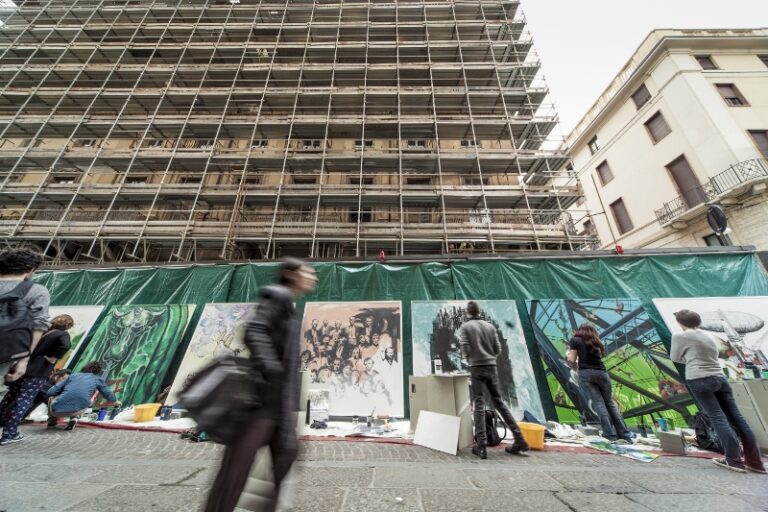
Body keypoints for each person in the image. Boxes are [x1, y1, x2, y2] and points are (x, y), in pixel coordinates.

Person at [204, 257, 317, 512]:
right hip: (262, 404)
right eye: (307, 272)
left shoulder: (290, 305)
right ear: (291, 274)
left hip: (279, 405)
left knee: (285, 456)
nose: (313, 276)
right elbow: (254, 331)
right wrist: (272, 369)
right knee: (236, 471)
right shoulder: (276, 297)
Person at [671, 309, 766, 474]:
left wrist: (689, 357)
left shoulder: (680, 336)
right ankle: (755, 462)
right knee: (738, 418)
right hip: (720, 378)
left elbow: (675, 357)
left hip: (699, 378)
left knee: (718, 418)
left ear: (680, 323)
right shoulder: (708, 336)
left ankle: (734, 460)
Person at [459, 301, 528, 459]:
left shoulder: (466, 327)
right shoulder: (490, 326)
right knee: (499, 403)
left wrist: (470, 357)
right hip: (491, 367)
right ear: (479, 311)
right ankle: (520, 439)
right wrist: (489, 357)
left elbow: (465, 349)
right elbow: (497, 349)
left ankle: (482, 446)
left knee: (479, 403)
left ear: (468, 313)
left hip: (476, 368)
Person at [0, 315, 73, 444]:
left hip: (22, 368)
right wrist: (54, 357)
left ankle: (4, 425)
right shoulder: (62, 334)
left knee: (9, 398)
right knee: (23, 400)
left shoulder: (43, 332)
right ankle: (9, 433)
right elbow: (66, 346)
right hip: (38, 371)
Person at [566, 324, 633, 444]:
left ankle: (609, 435)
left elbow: (572, 359)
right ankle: (625, 435)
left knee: (599, 404)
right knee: (610, 404)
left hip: (586, 373)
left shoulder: (575, 340)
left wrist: (571, 364)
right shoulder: (596, 341)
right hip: (602, 373)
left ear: (580, 330)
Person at [0, 248, 51, 383]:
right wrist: (24, 360)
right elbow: (39, 325)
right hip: (4, 357)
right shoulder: (36, 291)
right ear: (30, 270)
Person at [45, 361, 118, 432]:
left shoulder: (73, 376)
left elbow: (51, 392)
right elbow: (108, 393)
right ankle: (74, 418)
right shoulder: (97, 379)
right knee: (84, 398)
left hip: (57, 411)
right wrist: (115, 401)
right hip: (79, 410)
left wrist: (61, 393)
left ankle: (52, 422)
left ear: (85, 368)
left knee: (52, 398)